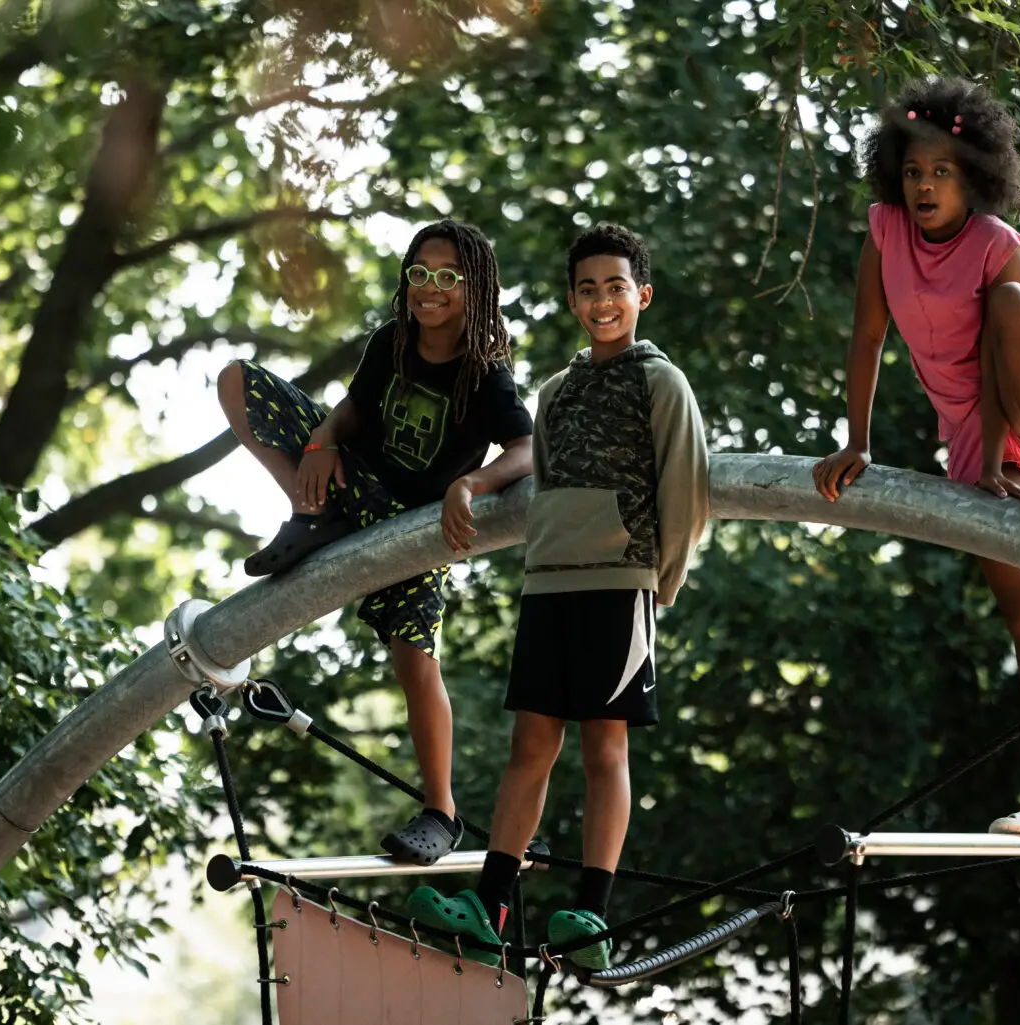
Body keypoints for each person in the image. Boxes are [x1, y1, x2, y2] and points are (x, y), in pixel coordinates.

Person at [812, 77, 1020, 835]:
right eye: (913, 171)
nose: (924, 186)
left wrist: (1013, 464)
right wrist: (858, 441)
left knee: (1012, 304)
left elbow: (994, 352)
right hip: (970, 430)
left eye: (942, 173)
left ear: (974, 178)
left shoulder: (995, 244)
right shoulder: (886, 233)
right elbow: (867, 339)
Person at [408, 223, 709, 969]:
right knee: (530, 746)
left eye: (616, 287)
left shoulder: (661, 381)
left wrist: (660, 583)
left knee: (606, 746)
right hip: (548, 583)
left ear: (642, 295)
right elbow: (538, 477)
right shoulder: (556, 391)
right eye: (588, 288)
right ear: (573, 300)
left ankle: (592, 915)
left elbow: (686, 490)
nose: (602, 301)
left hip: (620, 583)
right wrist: (474, 488)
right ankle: (489, 905)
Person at [216, 219, 534, 864]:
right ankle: (312, 515)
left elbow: (529, 448)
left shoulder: (485, 374)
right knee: (235, 380)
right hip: (351, 486)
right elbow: (353, 408)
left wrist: (470, 484)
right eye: (419, 273)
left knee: (415, 662)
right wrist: (322, 440)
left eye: (448, 277)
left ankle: (441, 813)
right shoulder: (391, 341)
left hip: (414, 532)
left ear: (475, 290)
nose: (430, 287)